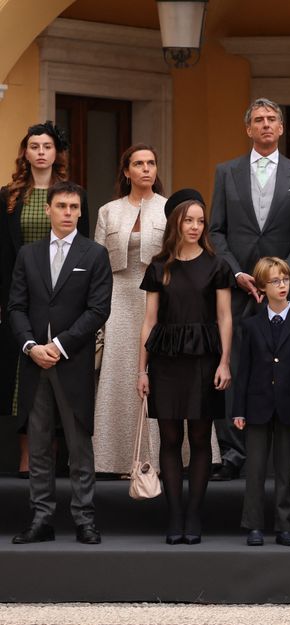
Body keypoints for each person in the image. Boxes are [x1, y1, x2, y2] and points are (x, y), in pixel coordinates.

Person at [208, 97, 290, 481]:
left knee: (285, 363)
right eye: (259, 120)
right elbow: (215, 230)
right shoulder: (227, 172)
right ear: (248, 128)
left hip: (282, 289)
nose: (266, 125)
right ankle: (235, 453)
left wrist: (280, 275)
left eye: (272, 119)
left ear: (282, 128)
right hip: (238, 288)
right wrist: (237, 273)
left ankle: (284, 453)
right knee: (235, 364)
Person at [7, 181, 111, 544]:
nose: (68, 212)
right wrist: (32, 346)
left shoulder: (94, 254)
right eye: (61, 206)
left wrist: (60, 345)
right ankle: (41, 518)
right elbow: (16, 307)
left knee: (80, 446)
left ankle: (84, 519)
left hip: (72, 363)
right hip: (34, 363)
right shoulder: (28, 254)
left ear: (82, 212)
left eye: (74, 207)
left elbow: (99, 309)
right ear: (48, 209)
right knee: (37, 446)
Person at [137, 190, 233, 545]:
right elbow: (148, 321)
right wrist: (141, 370)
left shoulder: (217, 265)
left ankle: (195, 514)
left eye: (200, 221)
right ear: (175, 222)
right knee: (170, 438)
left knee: (199, 437)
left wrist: (225, 361)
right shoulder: (159, 267)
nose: (195, 226)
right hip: (165, 360)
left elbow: (225, 317)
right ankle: (174, 514)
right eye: (188, 220)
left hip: (205, 359)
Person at [0, 122, 88, 475]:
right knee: (24, 379)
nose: (40, 152)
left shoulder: (72, 193)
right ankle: (27, 461)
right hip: (21, 298)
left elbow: (85, 248)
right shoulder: (8, 196)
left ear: (56, 153)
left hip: (63, 296)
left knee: (58, 371)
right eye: (33, 146)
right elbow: (2, 252)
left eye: (46, 146)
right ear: (25, 152)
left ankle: (53, 457)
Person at [91, 144, 166, 474]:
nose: (146, 169)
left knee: (159, 373)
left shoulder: (169, 208)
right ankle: (115, 458)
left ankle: (160, 457)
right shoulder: (108, 211)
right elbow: (95, 263)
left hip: (159, 296)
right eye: (139, 163)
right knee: (120, 374)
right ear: (126, 171)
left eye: (151, 163)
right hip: (118, 297)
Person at [233, 256, 290, 548]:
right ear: (261, 287)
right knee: (255, 469)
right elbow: (243, 370)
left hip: (289, 406)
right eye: (274, 281)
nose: (282, 286)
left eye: (285, 280)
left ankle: (284, 525)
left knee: (285, 469)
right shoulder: (252, 325)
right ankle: (254, 524)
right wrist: (239, 409)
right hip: (257, 404)